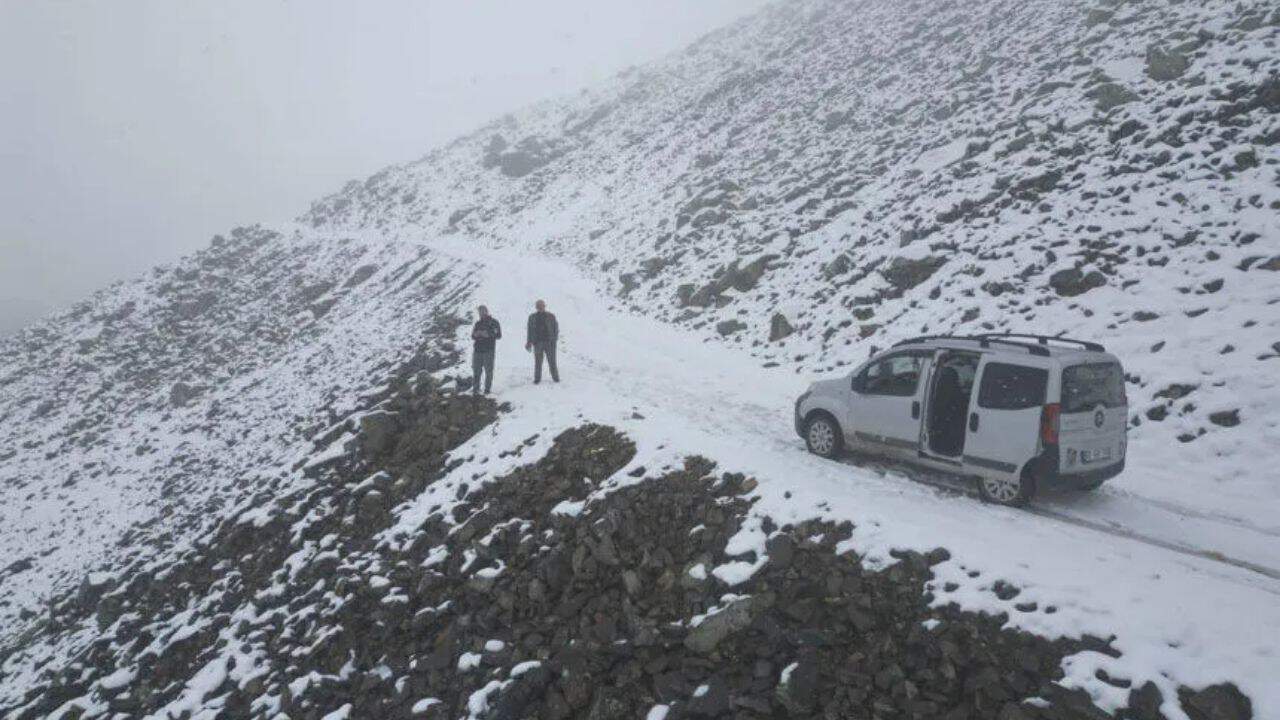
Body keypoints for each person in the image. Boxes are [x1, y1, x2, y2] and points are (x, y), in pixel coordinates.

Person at [525, 299, 559, 384]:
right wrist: (529, 342)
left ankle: (556, 378)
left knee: (552, 361)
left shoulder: (551, 316)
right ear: (536, 307)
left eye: (542, 306)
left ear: (544, 306)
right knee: (538, 362)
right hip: (537, 343)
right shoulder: (532, 317)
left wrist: (554, 340)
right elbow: (529, 330)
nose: (540, 307)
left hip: (549, 342)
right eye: (538, 306)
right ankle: (537, 379)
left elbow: (555, 329)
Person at [471, 305, 501, 395]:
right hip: (477, 350)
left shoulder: (494, 322)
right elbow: (472, 335)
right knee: (476, 370)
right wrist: (476, 334)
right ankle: (476, 389)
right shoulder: (478, 323)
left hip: (489, 350)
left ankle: (487, 390)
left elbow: (498, 335)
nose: (481, 313)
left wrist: (487, 334)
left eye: (483, 311)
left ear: (486, 311)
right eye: (480, 311)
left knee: (488, 371)